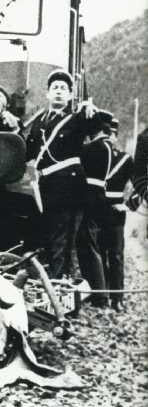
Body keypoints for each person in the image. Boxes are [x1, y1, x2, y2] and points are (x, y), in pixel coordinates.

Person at [24, 69, 110, 279]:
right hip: (43, 185)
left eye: (64, 89)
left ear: (70, 95)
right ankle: (44, 283)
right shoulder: (39, 121)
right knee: (42, 235)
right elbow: (29, 151)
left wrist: (91, 109)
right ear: (48, 94)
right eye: (55, 88)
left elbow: (98, 129)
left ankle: (60, 286)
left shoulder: (77, 118)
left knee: (60, 240)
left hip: (68, 187)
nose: (59, 92)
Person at [76, 115, 112, 306]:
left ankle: (99, 294)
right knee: (90, 242)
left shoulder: (95, 147)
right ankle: (97, 292)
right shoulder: (107, 147)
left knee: (89, 244)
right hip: (99, 195)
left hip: (90, 196)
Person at [99, 118, 134, 311]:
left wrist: (128, 204)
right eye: (105, 134)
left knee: (116, 255)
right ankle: (102, 297)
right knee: (99, 254)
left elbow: (139, 184)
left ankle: (117, 298)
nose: (108, 138)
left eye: (111, 134)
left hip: (115, 212)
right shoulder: (94, 156)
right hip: (96, 210)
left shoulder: (125, 159)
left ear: (116, 136)